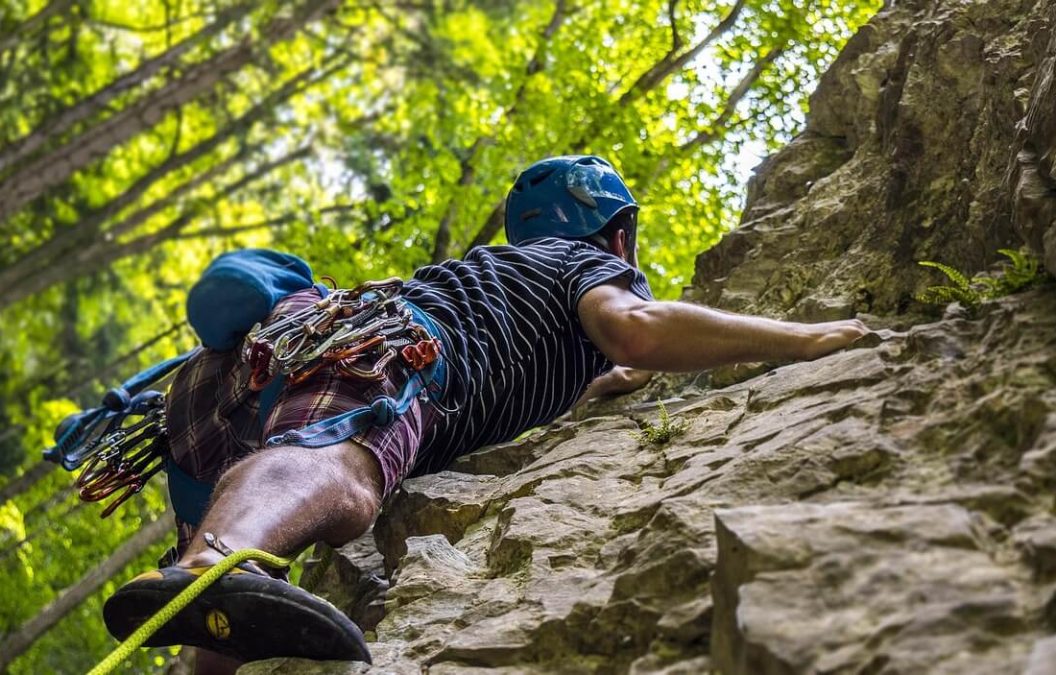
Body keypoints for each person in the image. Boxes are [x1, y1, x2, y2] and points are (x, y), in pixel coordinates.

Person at [103, 155, 867, 672]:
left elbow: (589, 371)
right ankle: (210, 562)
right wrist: (806, 338)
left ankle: (205, 597)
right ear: (617, 235)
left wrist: (608, 382)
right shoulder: (584, 264)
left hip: (222, 390)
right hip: (383, 347)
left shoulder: (508, 287)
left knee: (226, 602)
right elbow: (635, 329)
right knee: (347, 472)